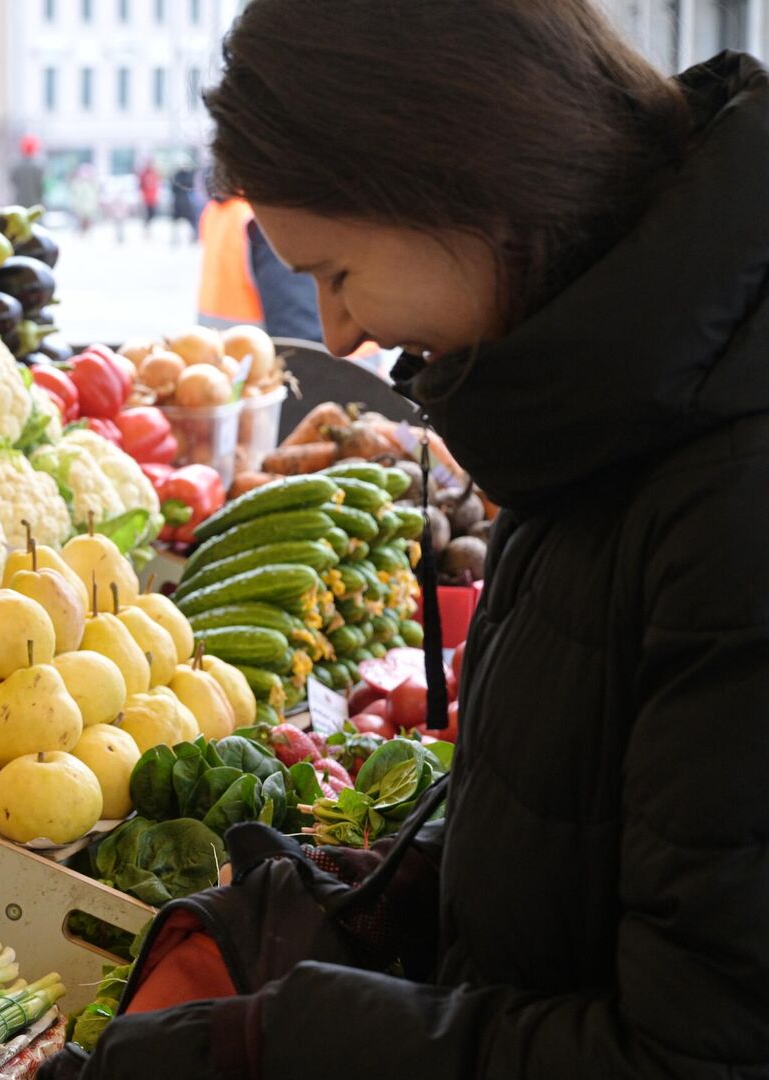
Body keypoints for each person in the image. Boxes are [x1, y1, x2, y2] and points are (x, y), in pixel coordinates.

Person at [45, 1, 769, 1076]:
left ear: (455, 179)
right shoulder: (603, 403)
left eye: (336, 273)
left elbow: (695, 1054)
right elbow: (594, 824)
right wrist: (398, 895)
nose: (337, 333)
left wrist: (283, 1041)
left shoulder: (729, 495)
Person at [196, 193, 322, 340]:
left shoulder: (223, 207)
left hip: (228, 355)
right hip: (266, 357)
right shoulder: (273, 214)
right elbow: (299, 330)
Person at [11, 134, 46, 208]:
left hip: (20, 205)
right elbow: (41, 189)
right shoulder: (38, 168)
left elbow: (13, 182)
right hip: (35, 207)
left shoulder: (16, 167)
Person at [168, 161, 200, 243]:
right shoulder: (188, 176)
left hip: (180, 201)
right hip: (184, 201)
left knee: (184, 221)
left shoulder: (177, 176)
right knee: (190, 220)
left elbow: (172, 189)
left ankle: (177, 238)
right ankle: (194, 236)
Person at [68, 162, 101, 237]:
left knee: (88, 220)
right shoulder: (78, 184)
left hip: (89, 207)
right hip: (81, 207)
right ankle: (82, 234)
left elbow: (95, 196)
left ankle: (87, 233)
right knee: (81, 220)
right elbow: (75, 196)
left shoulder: (92, 184)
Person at [138, 160, 162, 236]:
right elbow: (140, 186)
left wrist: (157, 196)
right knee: (146, 215)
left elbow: (158, 185)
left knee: (152, 214)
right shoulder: (144, 174)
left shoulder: (155, 174)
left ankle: (148, 228)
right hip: (146, 199)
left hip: (153, 198)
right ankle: (147, 229)